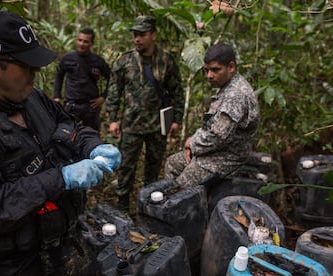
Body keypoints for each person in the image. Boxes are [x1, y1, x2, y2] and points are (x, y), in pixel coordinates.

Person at [0, 11, 121, 276]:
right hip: (12, 264)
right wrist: (60, 178)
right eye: (27, 66)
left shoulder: (32, 98)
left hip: (64, 244)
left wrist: (92, 146)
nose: (36, 73)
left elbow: (69, 126)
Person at [106, 16, 185, 212]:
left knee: (153, 168)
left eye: (142, 35)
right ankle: (122, 208)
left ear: (153, 36)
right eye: (135, 35)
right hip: (131, 124)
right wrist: (113, 119)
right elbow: (114, 90)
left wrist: (177, 119)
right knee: (126, 168)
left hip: (158, 125)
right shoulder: (125, 60)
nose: (137, 39)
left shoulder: (166, 60)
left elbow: (177, 91)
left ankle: (148, 207)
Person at [164, 43, 260, 187]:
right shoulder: (226, 86)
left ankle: (181, 207)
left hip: (226, 157)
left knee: (180, 190)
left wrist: (193, 143)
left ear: (231, 67)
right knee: (172, 164)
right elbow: (213, 124)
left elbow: (218, 136)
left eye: (215, 70)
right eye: (207, 70)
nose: (209, 76)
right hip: (216, 151)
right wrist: (194, 141)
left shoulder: (236, 95)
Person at [53, 28, 111, 132]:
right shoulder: (67, 58)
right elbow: (59, 76)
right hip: (71, 105)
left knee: (92, 137)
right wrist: (57, 96)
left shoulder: (98, 61)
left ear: (92, 44)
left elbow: (112, 79)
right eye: (80, 40)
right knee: (68, 136)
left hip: (90, 106)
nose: (82, 44)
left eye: (86, 41)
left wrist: (103, 97)